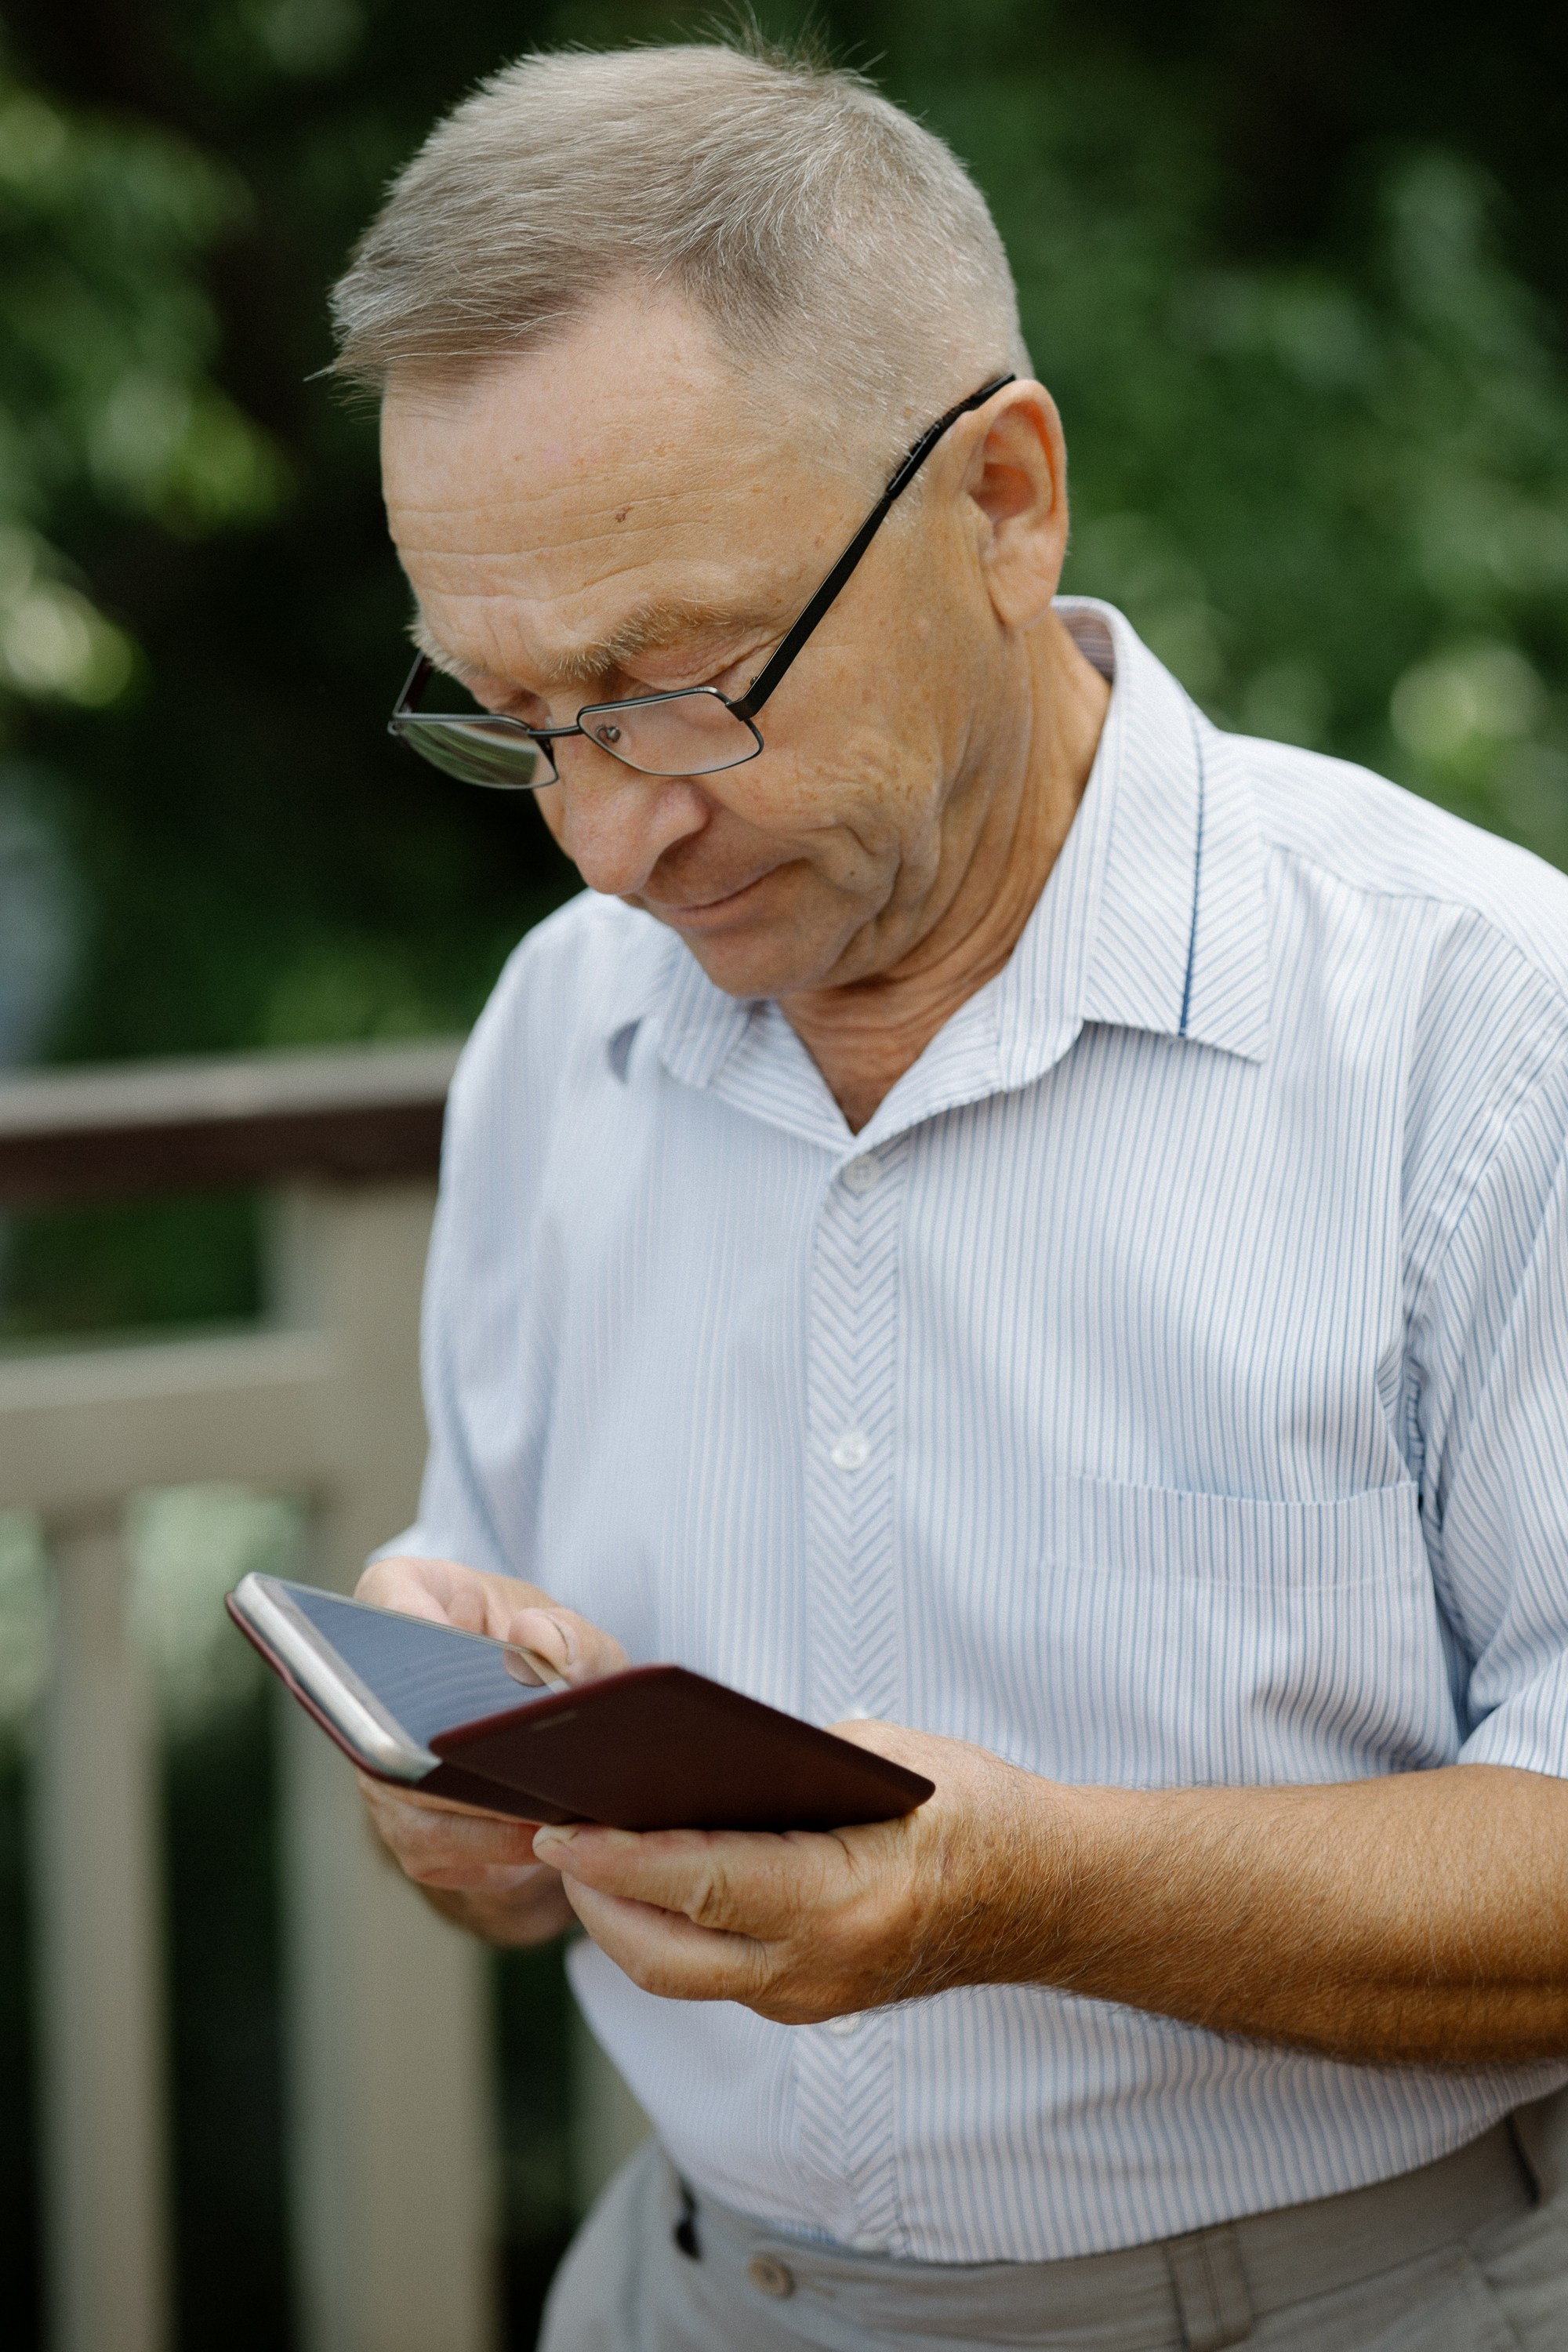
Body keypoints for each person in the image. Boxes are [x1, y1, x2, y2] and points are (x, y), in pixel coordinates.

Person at [333, 36, 1568, 2352]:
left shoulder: (1489, 1025)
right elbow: (512, 1834)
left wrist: (1033, 1893)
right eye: (512, 719)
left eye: (680, 685)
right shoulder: (554, 1028)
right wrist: (472, 1808)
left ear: (1005, 499)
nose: (608, 837)